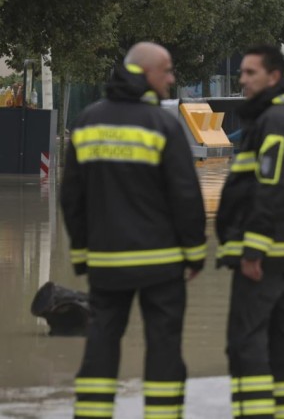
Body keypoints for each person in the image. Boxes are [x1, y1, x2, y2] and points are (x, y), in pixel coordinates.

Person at [60, 42, 207, 419]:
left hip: (107, 263)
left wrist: (82, 255)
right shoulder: (163, 125)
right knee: (164, 347)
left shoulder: (87, 122)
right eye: (167, 70)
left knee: (101, 342)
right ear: (144, 73)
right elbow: (186, 196)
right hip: (162, 265)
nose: (172, 78)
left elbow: (71, 198)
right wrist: (194, 254)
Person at [216, 44, 284, 419]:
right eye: (241, 72)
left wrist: (253, 250)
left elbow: (270, 188)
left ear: (273, 77)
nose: (242, 80)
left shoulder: (273, 122)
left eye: (250, 73)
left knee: (245, 342)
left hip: (264, 255)